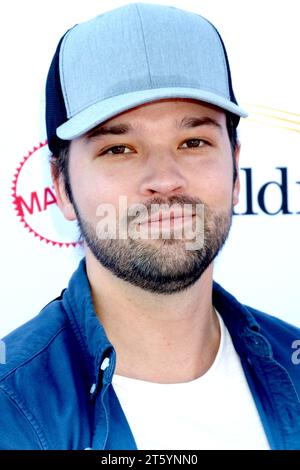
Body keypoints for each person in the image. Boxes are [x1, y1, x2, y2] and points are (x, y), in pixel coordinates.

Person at [0, 3, 299, 451]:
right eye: (119, 149)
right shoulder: (11, 410)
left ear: (236, 169)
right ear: (61, 186)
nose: (164, 180)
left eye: (193, 141)